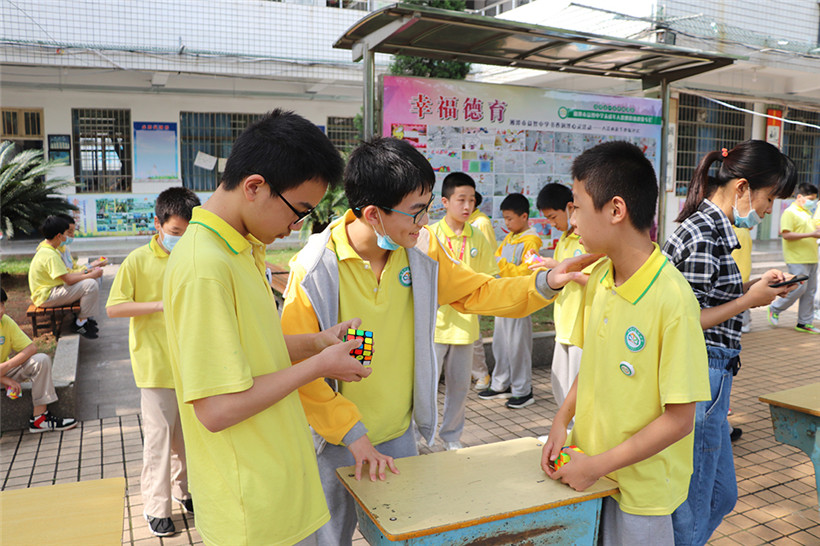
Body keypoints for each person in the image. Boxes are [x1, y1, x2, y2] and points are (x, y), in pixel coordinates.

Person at [280, 137, 596, 546]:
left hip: (397, 433)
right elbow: (300, 371)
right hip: (333, 441)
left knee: (401, 534)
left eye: (428, 207)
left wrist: (545, 282)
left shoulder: (420, 251)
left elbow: (478, 291)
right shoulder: (314, 270)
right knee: (326, 538)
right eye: (416, 211)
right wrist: (353, 435)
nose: (425, 221)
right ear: (373, 214)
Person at [162, 109, 372, 546]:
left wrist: (317, 343)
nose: (295, 227)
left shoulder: (240, 248)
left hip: (279, 492)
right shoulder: (205, 266)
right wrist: (319, 367)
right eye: (298, 211)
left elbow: (251, 348)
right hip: (252, 513)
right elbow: (216, 410)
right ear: (255, 186)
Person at [542, 141, 711, 546]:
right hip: (592, 470)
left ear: (616, 210)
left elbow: (679, 419)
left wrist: (598, 465)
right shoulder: (600, 277)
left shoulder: (672, 299)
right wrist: (561, 422)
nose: (572, 219)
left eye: (577, 206)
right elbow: (595, 366)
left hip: (642, 493)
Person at [662, 140, 797, 546]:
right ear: (741, 188)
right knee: (697, 501)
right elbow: (687, 321)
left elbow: (703, 295)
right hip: (701, 374)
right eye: (769, 198)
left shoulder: (711, 227)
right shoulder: (705, 233)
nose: (768, 210)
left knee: (721, 495)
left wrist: (753, 287)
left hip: (714, 375)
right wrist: (747, 301)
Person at [106, 187, 200, 537]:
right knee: (160, 438)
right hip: (156, 365)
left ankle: (184, 490)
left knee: (187, 437)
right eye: (175, 233)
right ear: (157, 224)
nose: (180, 239)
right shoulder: (137, 261)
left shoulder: (193, 256)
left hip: (191, 363)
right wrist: (159, 306)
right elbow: (114, 307)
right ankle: (156, 506)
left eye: (187, 234)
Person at [430, 172, 499, 450]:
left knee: (459, 389)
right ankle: (415, 436)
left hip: (465, 326)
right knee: (425, 386)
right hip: (433, 325)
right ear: (445, 202)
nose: (467, 206)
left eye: (471, 200)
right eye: (461, 199)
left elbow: (489, 277)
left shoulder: (478, 237)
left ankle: (451, 437)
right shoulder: (430, 235)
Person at [536, 183, 599, 428]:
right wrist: (554, 266)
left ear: (570, 208)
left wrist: (568, 274)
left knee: (577, 388)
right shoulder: (563, 239)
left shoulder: (586, 240)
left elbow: (596, 280)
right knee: (560, 383)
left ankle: (577, 434)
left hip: (580, 327)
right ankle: (567, 431)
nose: (552, 223)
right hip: (563, 324)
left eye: (553, 216)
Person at [478, 193, 542, 409]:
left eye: (510, 218)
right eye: (504, 218)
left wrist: (500, 264)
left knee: (517, 347)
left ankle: (523, 390)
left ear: (524, 216)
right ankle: (500, 384)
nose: (506, 223)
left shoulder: (530, 241)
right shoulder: (510, 237)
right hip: (502, 298)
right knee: (500, 344)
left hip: (520, 300)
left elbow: (526, 271)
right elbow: (497, 260)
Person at [0, 288, 77, 432]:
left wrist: (7, 365)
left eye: (2, 304)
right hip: (3, 376)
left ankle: (40, 419)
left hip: (4, 370)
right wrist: (6, 380)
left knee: (41, 360)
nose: (1, 311)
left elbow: (31, 348)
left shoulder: (5, 322)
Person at [28, 215, 103, 339]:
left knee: (91, 280)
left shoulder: (49, 250)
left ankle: (84, 320)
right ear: (59, 236)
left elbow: (67, 273)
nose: (67, 237)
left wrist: (87, 272)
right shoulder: (50, 254)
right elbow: (68, 279)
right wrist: (90, 275)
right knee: (90, 284)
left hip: (50, 292)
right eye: (65, 234)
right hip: (46, 297)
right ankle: (80, 323)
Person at [767, 183, 820, 333]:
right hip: (797, 258)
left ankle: (804, 322)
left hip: (812, 257)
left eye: (815, 199)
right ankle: (775, 308)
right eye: (810, 199)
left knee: (810, 291)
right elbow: (786, 234)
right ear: (799, 197)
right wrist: (812, 234)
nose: (813, 202)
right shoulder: (790, 213)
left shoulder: (807, 213)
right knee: (799, 288)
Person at [467, 191, 497, 390]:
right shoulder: (463, 223)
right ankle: (473, 372)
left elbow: (489, 254)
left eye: (468, 201)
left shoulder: (481, 223)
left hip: (474, 286)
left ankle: (482, 375)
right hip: (459, 285)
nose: (464, 206)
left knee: (473, 333)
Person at [731, 225, 753, 334]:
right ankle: (745, 322)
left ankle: (744, 323)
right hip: (742, 272)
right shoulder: (742, 231)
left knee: (739, 300)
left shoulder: (738, 232)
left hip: (738, 273)